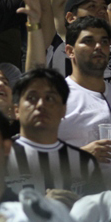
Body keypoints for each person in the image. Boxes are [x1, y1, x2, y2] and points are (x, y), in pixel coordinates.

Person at [57, 17, 111, 176]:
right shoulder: (56, 98)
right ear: (70, 51)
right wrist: (81, 156)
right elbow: (34, 155)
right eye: (88, 41)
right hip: (73, 196)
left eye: (104, 42)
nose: (98, 47)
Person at [7, 68, 105, 198]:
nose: (41, 104)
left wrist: (76, 207)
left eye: (50, 98)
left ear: (64, 110)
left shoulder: (85, 162)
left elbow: (98, 213)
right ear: (16, 110)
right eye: (32, 98)